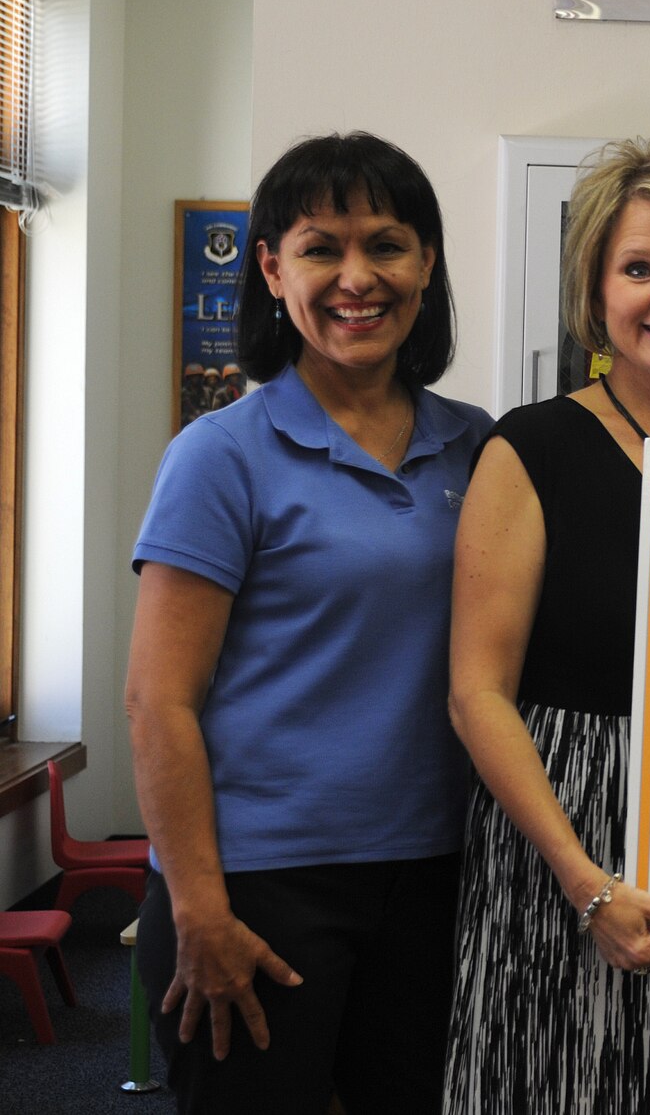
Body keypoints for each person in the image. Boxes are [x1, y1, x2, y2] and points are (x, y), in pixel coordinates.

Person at [126, 132, 492, 1112]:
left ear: (426, 265)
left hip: (438, 878)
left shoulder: (482, 449)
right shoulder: (222, 456)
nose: (356, 277)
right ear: (271, 267)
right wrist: (198, 905)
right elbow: (157, 704)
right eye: (322, 247)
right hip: (254, 887)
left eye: (387, 244)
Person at [443, 139, 650, 1111]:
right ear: (595, 294)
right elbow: (477, 694)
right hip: (558, 860)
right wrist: (586, 883)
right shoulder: (530, 448)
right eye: (637, 268)